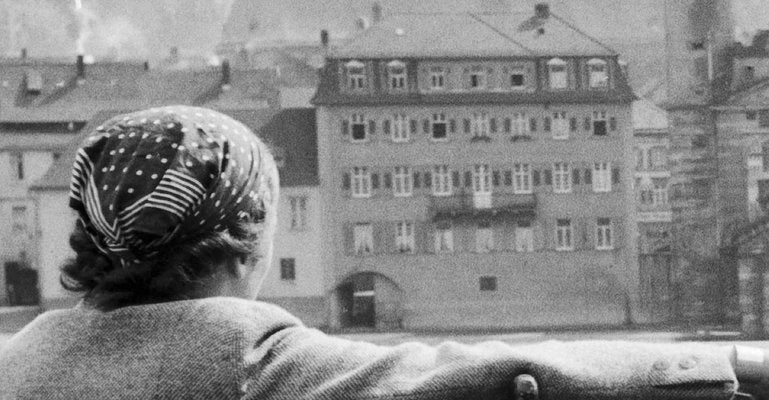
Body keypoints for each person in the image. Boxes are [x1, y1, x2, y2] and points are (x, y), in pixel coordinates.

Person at [0, 106, 742, 399]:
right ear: (247, 236)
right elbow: (494, 375)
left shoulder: (23, 355)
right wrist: (727, 365)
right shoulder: (235, 349)